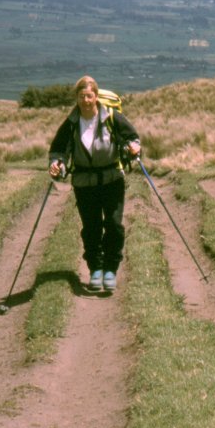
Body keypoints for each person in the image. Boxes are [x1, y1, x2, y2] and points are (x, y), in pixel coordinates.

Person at [48, 75, 141, 292]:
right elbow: (58, 151)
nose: (85, 101)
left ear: (96, 96)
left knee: (114, 225)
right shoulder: (71, 123)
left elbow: (132, 138)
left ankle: (111, 269)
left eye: (89, 96)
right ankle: (95, 270)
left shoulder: (112, 117)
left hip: (112, 180)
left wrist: (134, 148)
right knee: (91, 228)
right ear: (77, 98)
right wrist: (56, 165)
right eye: (81, 96)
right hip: (84, 183)